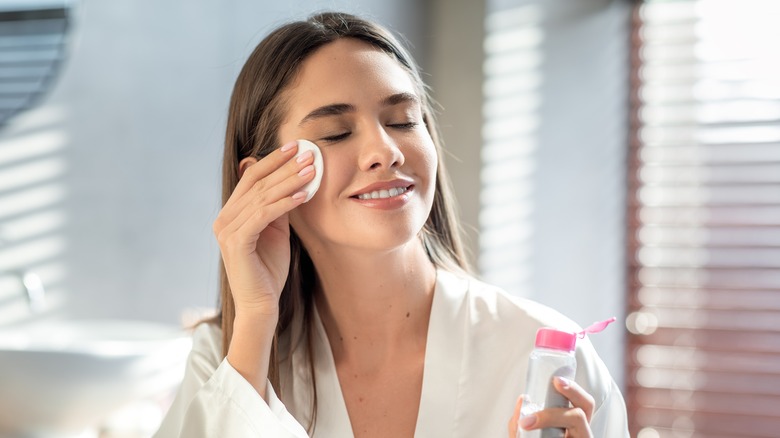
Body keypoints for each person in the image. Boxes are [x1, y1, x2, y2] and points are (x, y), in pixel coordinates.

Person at [154, 11, 629, 438]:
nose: (386, 151)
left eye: (403, 121)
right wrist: (255, 319)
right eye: (336, 133)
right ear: (263, 181)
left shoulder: (543, 359)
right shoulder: (225, 357)